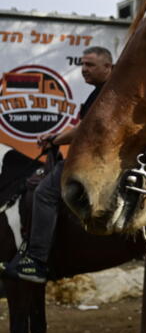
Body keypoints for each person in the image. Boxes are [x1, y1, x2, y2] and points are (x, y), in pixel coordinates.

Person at [3, 46, 113, 283]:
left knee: (44, 193)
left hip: (96, 161)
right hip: (96, 157)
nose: (84, 70)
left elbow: (86, 130)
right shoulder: (100, 92)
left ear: (108, 67)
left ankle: (37, 260)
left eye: (90, 65)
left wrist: (55, 139)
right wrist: (54, 137)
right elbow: (80, 128)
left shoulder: (108, 93)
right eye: (83, 65)